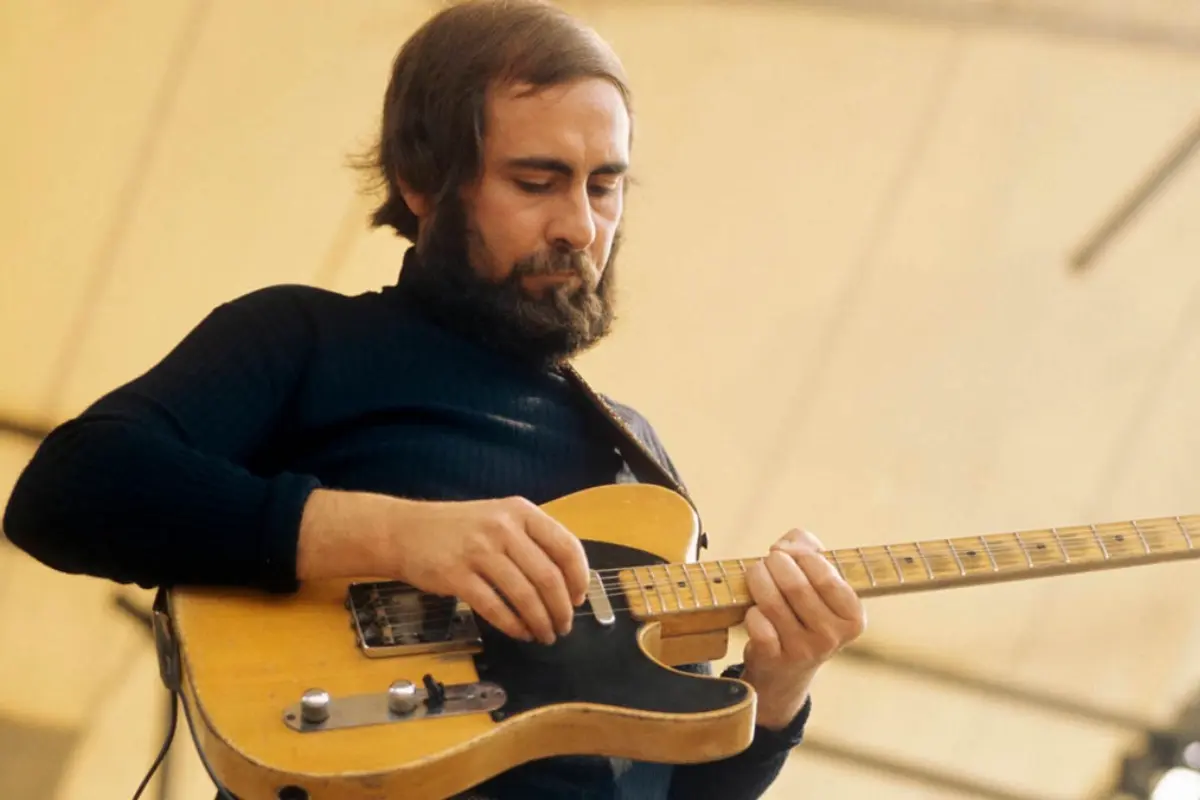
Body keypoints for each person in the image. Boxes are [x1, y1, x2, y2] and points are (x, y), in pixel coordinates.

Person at [2, 1, 866, 798]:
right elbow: (67, 491)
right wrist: (398, 535)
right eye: (538, 181)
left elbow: (651, 787)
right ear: (423, 183)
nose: (581, 226)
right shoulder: (301, 339)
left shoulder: (634, 459)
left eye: (605, 185)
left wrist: (778, 688)